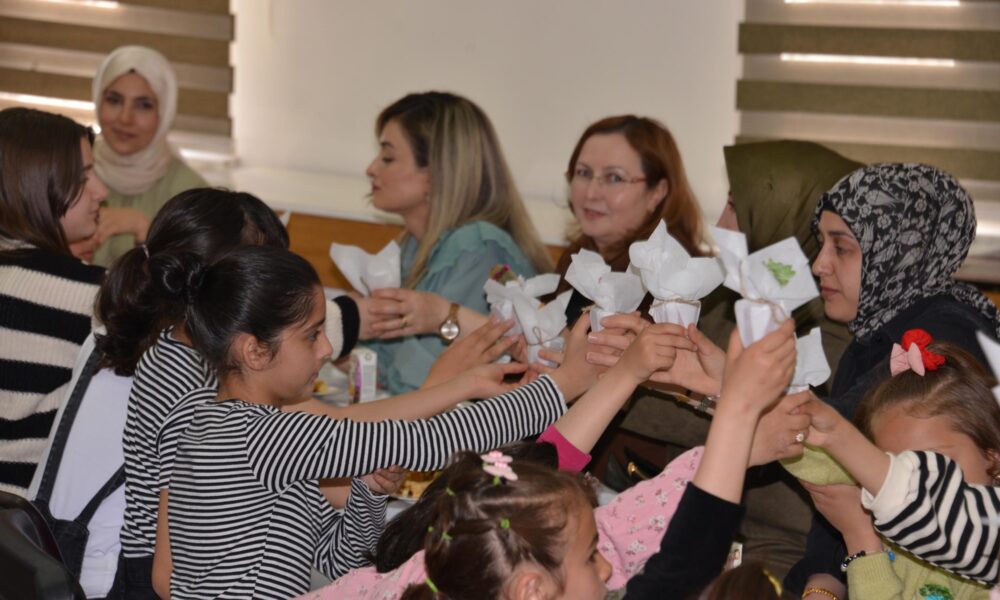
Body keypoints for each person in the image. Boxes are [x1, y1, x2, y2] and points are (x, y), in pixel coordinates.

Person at [155, 245, 600, 598]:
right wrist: (563, 384)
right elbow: (432, 441)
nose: (326, 349)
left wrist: (367, 491)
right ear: (255, 351)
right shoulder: (260, 436)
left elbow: (338, 561)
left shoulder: (248, 432)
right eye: (311, 335)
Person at [299, 315, 798, 599]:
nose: (606, 569)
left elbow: (539, 492)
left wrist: (620, 378)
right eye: (591, 555)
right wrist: (737, 419)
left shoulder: (442, 570)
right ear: (532, 590)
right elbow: (676, 570)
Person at [356, 91, 552, 394]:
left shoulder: (477, 248)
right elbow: (383, 361)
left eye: (388, 158)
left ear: (436, 172)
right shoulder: (413, 244)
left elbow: (426, 382)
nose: (371, 169)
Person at [801, 335, 1000, 596]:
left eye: (934, 463)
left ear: (993, 457)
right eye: (891, 465)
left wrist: (862, 540)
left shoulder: (989, 548)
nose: (914, 482)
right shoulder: (890, 530)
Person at [0, 107, 108, 497]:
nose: (101, 191)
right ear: (37, 185)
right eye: (83, 177)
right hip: (20, 521)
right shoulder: (92, 296)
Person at [86, 45, 206, 266]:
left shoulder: (190, 193)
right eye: (114, 100)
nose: (125, 118)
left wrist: (145, 230)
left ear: (164, 112)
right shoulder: (72, 168)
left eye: (144, 105)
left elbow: (192, 274)